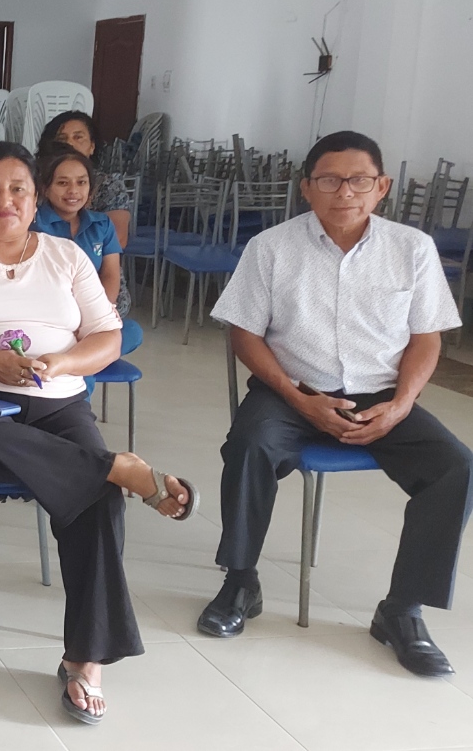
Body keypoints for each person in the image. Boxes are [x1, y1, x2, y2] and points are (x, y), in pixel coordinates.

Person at [0, 141, 198, 725]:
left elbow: (107, 337)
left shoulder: (66, 256)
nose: (4, 200)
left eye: (18, 189)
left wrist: (62, 363)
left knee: (97, 499)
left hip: (56, 401)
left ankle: (86, 659)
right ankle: (116, 467)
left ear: (36, 201)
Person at [199, 131, 473, 677]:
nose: (345, 191)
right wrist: (296, 398)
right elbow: (244, 334)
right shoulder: (271, 247)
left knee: (456, 466)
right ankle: (241, 581)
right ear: (306, 187)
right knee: (249, 446)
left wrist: (401, 404)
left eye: (359, 180)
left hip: (381, 395)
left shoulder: (412, 249)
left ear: (382, 187)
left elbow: (427, 338)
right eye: (329, 179)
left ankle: (402, 609)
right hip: (292, 390)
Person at [33, 143, 143, 356]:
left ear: (90, 189)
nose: (73, 191)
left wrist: (96, 316)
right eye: (62, 183)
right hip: (49, 317)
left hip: (92, 316)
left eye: (81, 182)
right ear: (45, 188)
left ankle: (74, 358)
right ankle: (84, 359)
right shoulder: (33, 224)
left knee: (132, 331)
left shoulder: (102, 224)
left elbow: (110, 275)